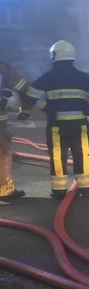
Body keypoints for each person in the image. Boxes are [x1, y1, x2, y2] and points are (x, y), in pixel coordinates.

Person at [23, 40, 89, 198]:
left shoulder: (47, 77)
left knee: (57, 156)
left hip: (56, 125)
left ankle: (59, 190)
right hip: (79, 124)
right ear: (72, 57)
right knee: (82, 154)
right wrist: (87, 106)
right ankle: (86, 188)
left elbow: (31, 95)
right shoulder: (82, 77)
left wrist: (47, 108)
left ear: (53, 57)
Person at [0, 60, 31, 200]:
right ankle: (4, 190)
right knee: (2, 153)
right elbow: (24, 89)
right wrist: (25, 110)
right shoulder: (4, 68)